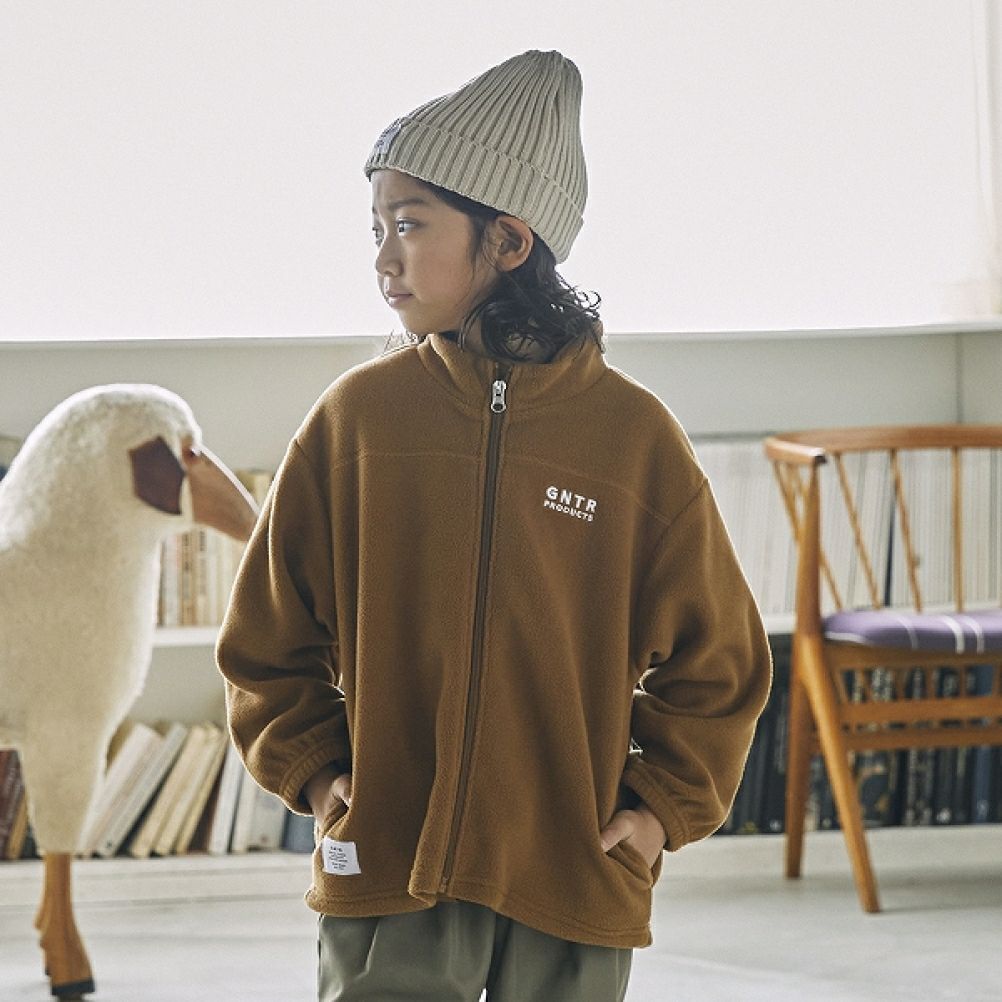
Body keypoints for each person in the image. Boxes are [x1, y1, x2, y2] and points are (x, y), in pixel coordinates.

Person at [216, 49, 772, 1002]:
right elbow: (266, 639)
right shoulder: (358, 423)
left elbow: (719, 663)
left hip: (572, 875)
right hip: (391, 867)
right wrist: (318, 775)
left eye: (409, 224)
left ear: (509, 241)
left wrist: (656, 811)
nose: (383, 256)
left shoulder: (632, 439)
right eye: (376, 228)